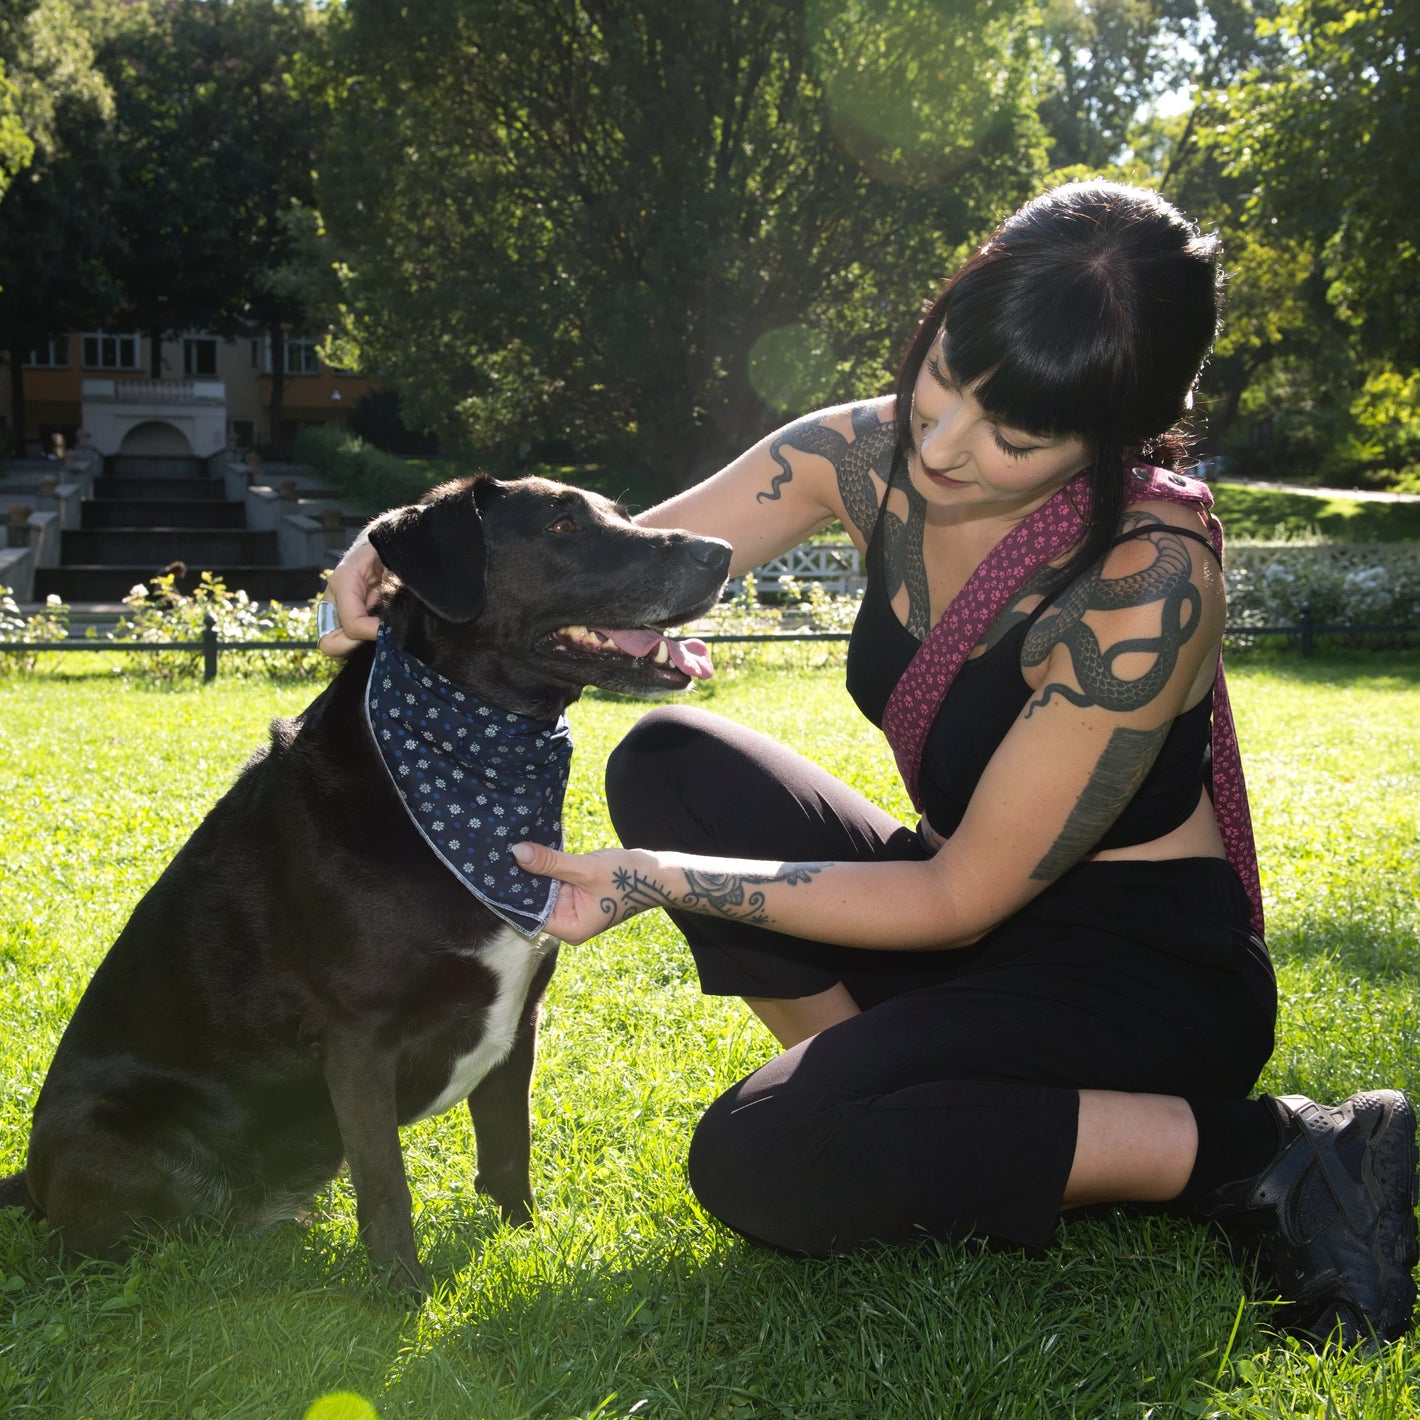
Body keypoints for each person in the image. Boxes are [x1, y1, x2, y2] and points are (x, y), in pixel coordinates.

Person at [322, 181, 1417, 1348]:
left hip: (1139, 977)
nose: (941, 445)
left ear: (1117, 432)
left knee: (761, 1156)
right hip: (963, 923)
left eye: (1016, 435)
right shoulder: (860, 452)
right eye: (944, 374)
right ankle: (917, 1109)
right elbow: (611, 565)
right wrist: (400, 542)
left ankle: (1275, 1151)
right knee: (671, 755)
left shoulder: (1144, 580)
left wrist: (654, 878)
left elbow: (955, 902)